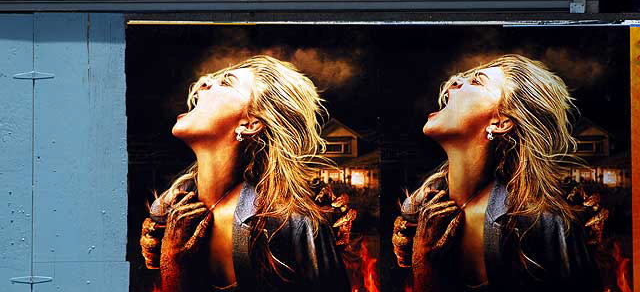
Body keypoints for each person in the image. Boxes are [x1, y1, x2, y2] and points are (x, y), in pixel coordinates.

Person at [140, 55, 350, 292]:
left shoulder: (297, 222)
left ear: (249, 124)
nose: (202, 83)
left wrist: (173, 270)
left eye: (227, 82)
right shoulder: (168, 213)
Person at [392, 54, 601, 292]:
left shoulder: (542, 220)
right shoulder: (417, 209)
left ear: (500, 123)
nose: (454, 83)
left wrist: (424, 266)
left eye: (477, 81)